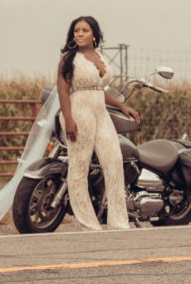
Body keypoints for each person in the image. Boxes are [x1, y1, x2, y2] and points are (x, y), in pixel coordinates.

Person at [56, 16, 140, 230]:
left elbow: (98, 90)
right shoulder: (69, 58)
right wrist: (69, 120)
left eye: (85, 30)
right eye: (76, 31)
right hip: (79, 111)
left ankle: (119, 222)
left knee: (113, 161)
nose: (80, 34)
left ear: (94, 34)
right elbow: (63, 91)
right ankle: (89, 224)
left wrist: (121, 106)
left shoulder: (100, 56)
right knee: (79, 166)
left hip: (101, 113)